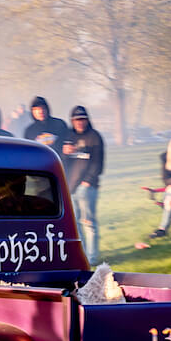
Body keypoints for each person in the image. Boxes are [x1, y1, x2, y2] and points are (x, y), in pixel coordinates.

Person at [62, 106, 104, 263]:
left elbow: (98, 163)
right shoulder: (69, 137)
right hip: (71, 187)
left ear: (87, 120)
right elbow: (63, 163)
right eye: (77, 120)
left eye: (83, 119)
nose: (80, 122)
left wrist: (88, 181)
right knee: (76, 224)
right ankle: (83, 255)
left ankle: (92, 257)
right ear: (72, 121)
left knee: (89, 222)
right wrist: (64, 153)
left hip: (88, 187)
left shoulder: (95, 137)